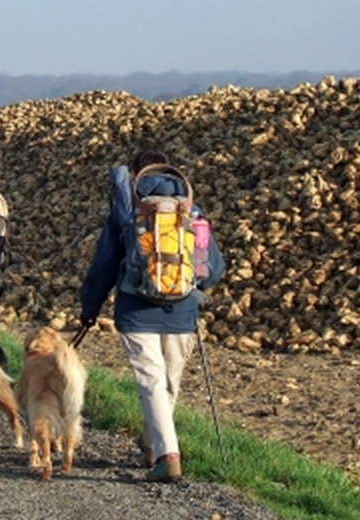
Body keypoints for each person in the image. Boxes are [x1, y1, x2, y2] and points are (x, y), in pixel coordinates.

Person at [78, 150, 226, 483]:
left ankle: (166, 455)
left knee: (152, 382)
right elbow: (213, 271)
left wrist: (90, 308)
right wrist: (184, 281)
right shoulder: (192, 211)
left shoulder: (130, 209)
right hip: (182, 310)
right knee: (168, 382)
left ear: (136, 176)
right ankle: (154, 442)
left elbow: (103, 264)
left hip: (137, 309)